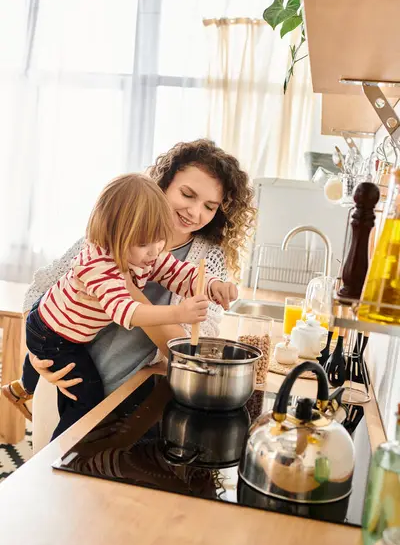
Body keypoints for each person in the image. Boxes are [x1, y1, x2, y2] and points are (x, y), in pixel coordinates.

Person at [2, 139, 256, 430]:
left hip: (135, 392)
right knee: (64, 458)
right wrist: (37, 355)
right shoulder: (112, 236)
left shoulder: (202, 255)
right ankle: (26, 386)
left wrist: (211, 286)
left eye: (209, 207)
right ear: (163, 185)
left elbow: (189, 345)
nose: (195, 212)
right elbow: (40, 291)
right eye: (187, 194)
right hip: (68, 376)